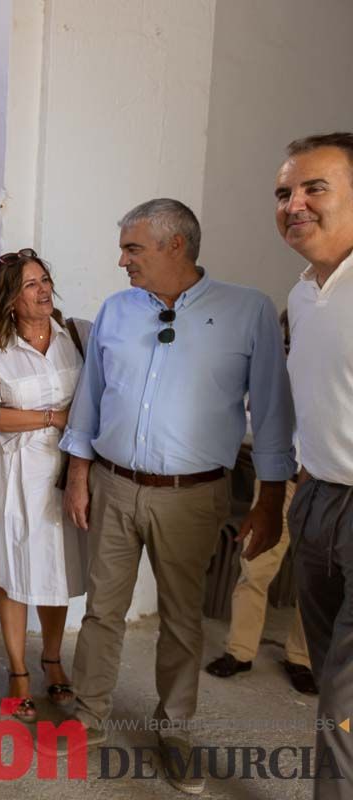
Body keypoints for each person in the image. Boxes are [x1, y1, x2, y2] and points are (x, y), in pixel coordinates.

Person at [56, 198, 295, 794]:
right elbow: (92, 398)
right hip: (113, 484)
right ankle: (90, 716)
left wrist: (268, 500)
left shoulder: (249, 311)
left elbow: (271, 413)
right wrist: (79, 474)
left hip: (193, 497)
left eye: (133, 249)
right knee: (102, 611)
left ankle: (176, 731)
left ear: (175, 246)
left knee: (184, 621)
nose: (122, 261)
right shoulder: (116, 310)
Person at [0, 249, 87, 722]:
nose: (42, 291)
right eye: (30, 285)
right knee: (15, 570)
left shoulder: (73, 336)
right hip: (14, 473)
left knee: (58, 568)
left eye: (44, 280)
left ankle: (53, 658)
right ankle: (18, 671)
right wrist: (53, 417)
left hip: (66, 470)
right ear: (10, 300)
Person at [274, 131, 353, 799]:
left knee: (343, 702)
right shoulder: (302, 294)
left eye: (314, 188)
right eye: (285, 192)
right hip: (319, 499)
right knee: (334, 678)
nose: (294, 202)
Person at [205, 310, 316, 696]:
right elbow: (250, 424)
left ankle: (302, 658)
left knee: (317, 581)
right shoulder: (277, 372)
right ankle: (239, 651)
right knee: (254, 568)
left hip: (324, 487)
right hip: (279, 484)